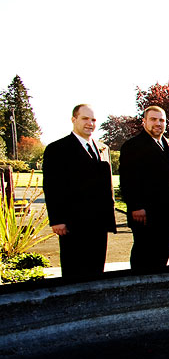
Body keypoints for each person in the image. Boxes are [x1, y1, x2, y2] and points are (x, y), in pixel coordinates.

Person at [42, 104, 116, 279]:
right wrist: (57, 220)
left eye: (93, 120)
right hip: (73, 223)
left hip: (99, 223)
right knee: (74, 272)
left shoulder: (102, 148)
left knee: (96, 270)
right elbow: (52, 186)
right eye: (85, 118)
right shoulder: (57, 149)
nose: (90, 123)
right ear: (74, 119)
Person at [119, 105, 169, 272]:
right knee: (144, 256)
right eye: (153, 119)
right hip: (144, 213)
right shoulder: (133, 145)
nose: (158, 123)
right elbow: (128, 179)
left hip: (166, 213)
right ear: (144, 121)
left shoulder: (166, 144)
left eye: (161, 120)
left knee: (162, 256)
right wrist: (136, 206)